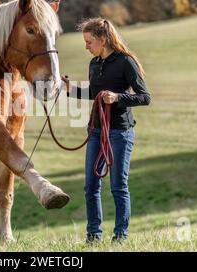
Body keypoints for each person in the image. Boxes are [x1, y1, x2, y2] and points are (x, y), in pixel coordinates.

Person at [62, 18, 151, 243]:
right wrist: (70, 89)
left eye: (89, 41)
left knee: (118, 186)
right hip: (96, 132)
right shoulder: (94, 63)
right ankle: (94, 236)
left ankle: (120, 236)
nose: (86, 47)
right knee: (91, 185)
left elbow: (144, 97)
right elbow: (94, 92)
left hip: (120, 132)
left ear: (102, 40)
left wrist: (118, 97)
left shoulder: (125, 62)